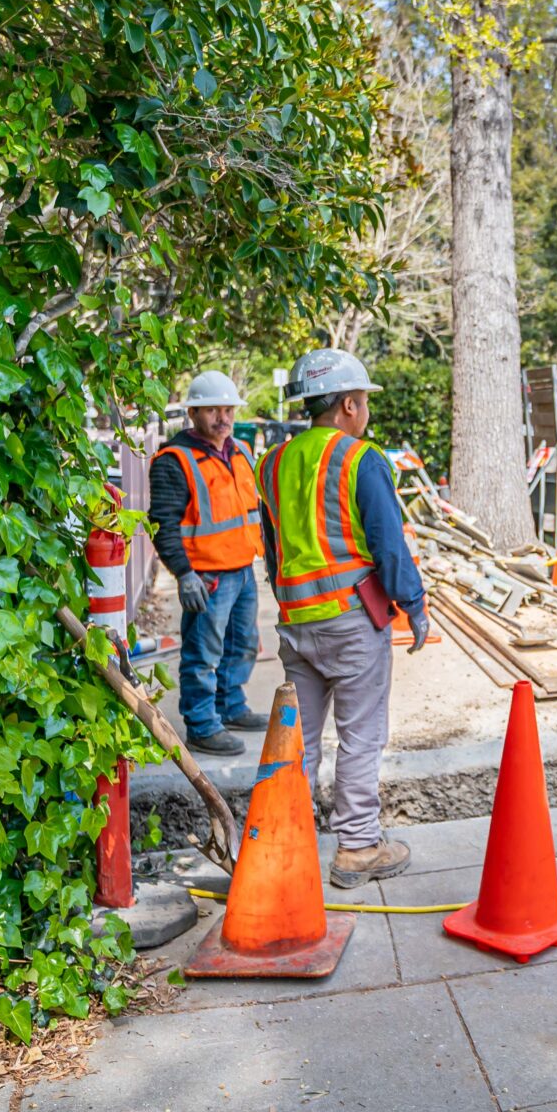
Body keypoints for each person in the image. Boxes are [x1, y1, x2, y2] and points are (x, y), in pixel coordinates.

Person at [258, 348, 431, 888]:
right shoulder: (359, 459)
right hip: (352, 623)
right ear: (350, 405)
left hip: (295, 623)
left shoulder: (272, 464)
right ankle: (357, 847)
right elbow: (388, 545)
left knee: (299, 742)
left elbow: (272, 548)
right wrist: (414, 605)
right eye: (364, 402)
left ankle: (284, 849)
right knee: (360, 736)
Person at [148, 371, 263, 758]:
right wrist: (183, 574)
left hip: (243, 569)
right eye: (213, 410)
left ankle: (231, 706)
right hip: (207, 576)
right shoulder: (174, 460)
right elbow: (162, 523)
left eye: (228, 410)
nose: (223, 418)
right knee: (203, 653)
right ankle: (201, 724)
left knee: (241, 645)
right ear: (193, 413)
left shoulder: (241, 451)